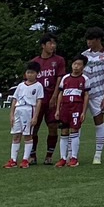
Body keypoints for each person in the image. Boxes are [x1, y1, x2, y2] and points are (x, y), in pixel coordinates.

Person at [81, 28, 104, 164]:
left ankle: (98, 154)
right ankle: (72, 154)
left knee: (99, 121)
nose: (88, 42)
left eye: (91, 39)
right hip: (84, 93)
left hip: (99, 94)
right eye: (87, 39)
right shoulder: (84, 54)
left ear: (98, 39)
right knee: (77, 121)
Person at [31, 34, 66, 165]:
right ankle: (32, 155)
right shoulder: (35, 61)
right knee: (33, 127)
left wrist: (55, 96)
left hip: (52, 98)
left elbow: (59, 79)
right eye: (50, 43)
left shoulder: (59, 60)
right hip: (37, 100)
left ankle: (49, 155)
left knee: (52, 126)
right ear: (43, 45)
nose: (53, 46)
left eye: (54, 44)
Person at [6, 62, 45, 169]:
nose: (29, 75)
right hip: (18, 110)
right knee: (16, 135)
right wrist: (11, 114)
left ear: (37, 73)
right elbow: (15, 99)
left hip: (29, 110)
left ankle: (25, 160)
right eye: (28, 72)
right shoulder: (20, 85)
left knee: (27, 135)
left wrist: (35, 116)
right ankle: (13, 160)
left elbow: (39, 102)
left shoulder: (38, 86)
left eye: (32, 72)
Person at [52, 55, 89, 167]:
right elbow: (60, 94)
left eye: (79, 64)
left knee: (74, 131)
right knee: (64, 132)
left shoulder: (85, 79)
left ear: (83, 67)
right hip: (65, 108)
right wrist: (57, 109)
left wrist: (84, 111)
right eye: (74, 64)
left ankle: (74, 157)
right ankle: (63, 158)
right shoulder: (65, 78)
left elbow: (86, 95)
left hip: (76, 107)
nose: (76, 66)